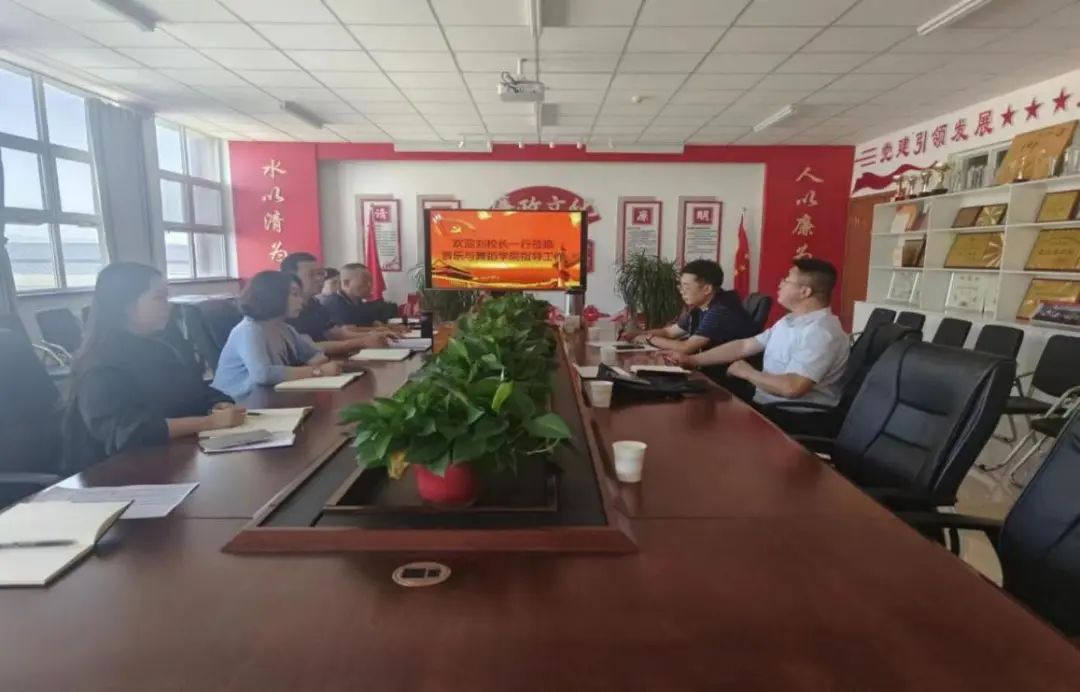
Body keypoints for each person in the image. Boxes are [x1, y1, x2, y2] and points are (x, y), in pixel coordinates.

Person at [62, 262, 246, 472]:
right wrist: (210, 423)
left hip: (171, 463)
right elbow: (131, 432)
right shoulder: (100, 364)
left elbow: (194, 391)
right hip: (114, 476)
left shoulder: (159, 347)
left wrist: (219, 404)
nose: (169, 306)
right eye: (159, 298)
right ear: (126, 306)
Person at [668, 259, 848, 429]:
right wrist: (693, 360)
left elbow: (793, 387)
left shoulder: (821, 333)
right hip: (768, 404)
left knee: (703, 422)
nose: (780, 284)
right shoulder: (790, 321)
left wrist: (747, 372)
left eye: (787, 280)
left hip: (795, 416)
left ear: (805, 292)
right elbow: (745, 346)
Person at [212, 271, 343, 400]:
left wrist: (329, 365)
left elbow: (314, 355)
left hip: (270, 394)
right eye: (295, 294)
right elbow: (263, 374)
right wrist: (318, 371)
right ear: (272, 296)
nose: (302, 301)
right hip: (237, 402)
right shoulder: (249, 330)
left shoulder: (284, 328)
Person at [632, 259, 756, 354]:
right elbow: (669, 332)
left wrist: (648, 338)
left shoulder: (721, 310)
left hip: (724, 376)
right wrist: (635, 334)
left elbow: (686, 347)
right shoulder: (700, 308)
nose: (682, 292)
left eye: (686, 287)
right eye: (681, 286)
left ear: (707, 289)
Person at [280, 252, 390, 355]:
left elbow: (335, 334)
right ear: (291, 278)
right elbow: (305, 347)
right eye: (312, 274)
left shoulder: (315, 304)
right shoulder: (284, 309)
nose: (319, 279)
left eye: (321, 273)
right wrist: (360, 342)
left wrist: (374, 336)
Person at [322, 263, 385, 328]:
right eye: (365, 281)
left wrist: (375, 323)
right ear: (346, 283)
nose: (369, 285)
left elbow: (370, 322)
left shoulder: (358, 301)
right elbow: (344, 330)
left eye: (371, 281)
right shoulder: (333, 304)